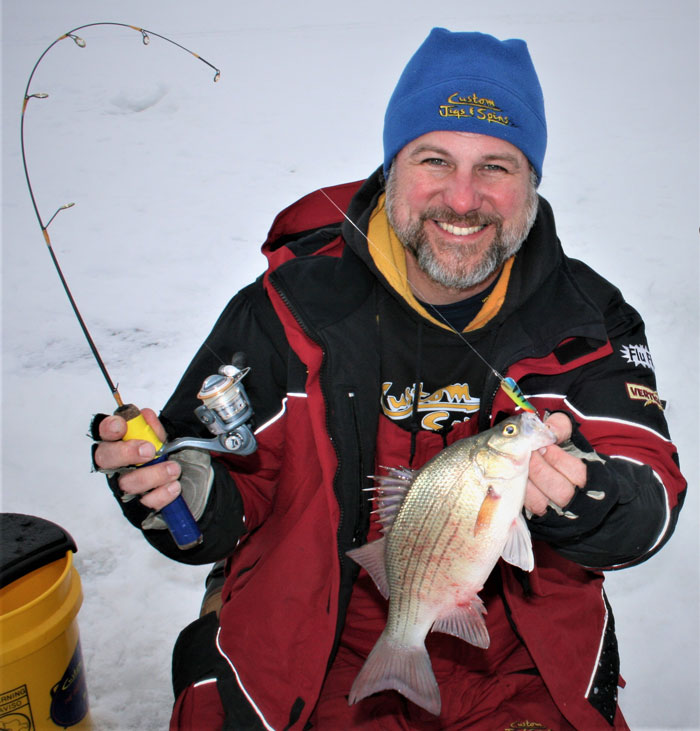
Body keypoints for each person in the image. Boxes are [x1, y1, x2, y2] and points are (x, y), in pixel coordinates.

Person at [91, 28, 686, 730]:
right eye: (434, 159)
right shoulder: (288, 307)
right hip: (313, 640)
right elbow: (221, 487)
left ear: (532, 184)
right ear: (391, 167)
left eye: (496, 166)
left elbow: (649, 492)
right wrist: (180, 491)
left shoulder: (585, 320)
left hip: (517, 662)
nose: (462, 199)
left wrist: (593, 499)